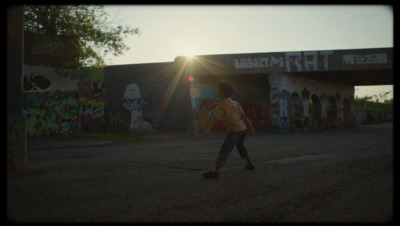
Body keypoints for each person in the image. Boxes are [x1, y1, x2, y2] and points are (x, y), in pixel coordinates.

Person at [202, 80, 256, 179]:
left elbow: (213, 121)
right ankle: (250, 163)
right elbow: (244, 117)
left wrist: (207, 130)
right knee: (240, 146)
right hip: (242, 129)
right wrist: (251, 128)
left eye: (218, 90)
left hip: (234, 130)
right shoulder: (235, 103)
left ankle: (216, 171)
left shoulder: (221, 106)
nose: (217, 92)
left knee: (225, 148)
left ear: (222, 93)